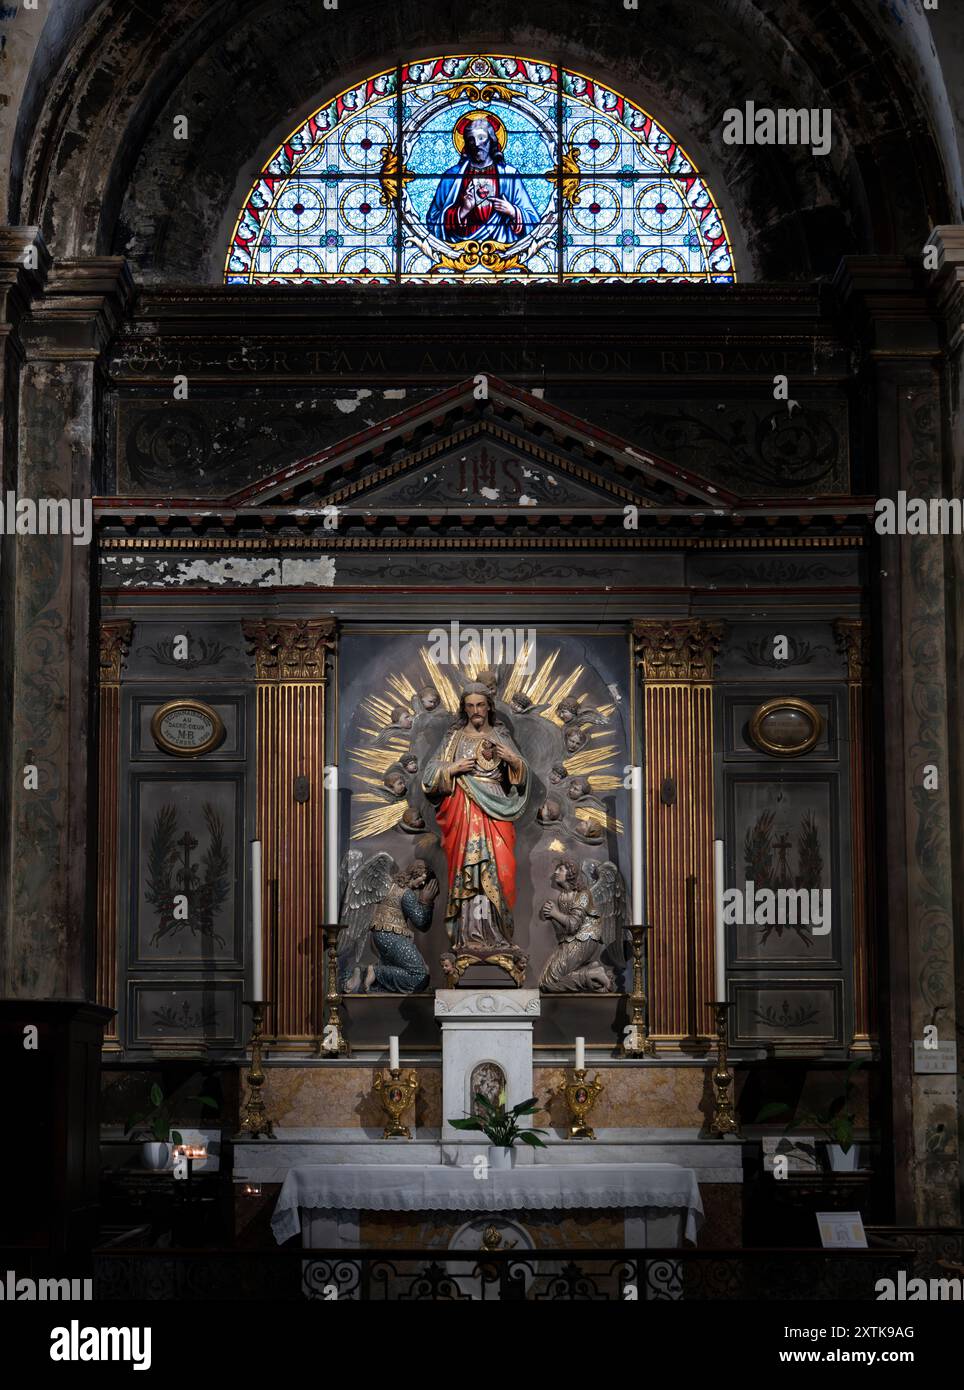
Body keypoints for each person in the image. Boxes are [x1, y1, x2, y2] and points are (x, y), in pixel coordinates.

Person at [422, 684, 528, 948]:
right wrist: (454, 767)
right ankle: (467, 938)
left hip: (497, 812)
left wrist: (513, 761)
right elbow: (430, 774)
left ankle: (498, 936)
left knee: (501, 873)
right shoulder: (454, 737)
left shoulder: (501, 735)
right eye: (470, 706)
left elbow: (521, 771)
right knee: (468, 869)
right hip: (464, 810)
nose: (475, 711)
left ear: (489, 706)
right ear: (464, 708)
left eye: (480, 705)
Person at [427, 114, 540, 245]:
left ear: (491, 140)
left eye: (481, 138)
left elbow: (533, 220)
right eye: (470, 140)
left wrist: (513, 211)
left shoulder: (510, 175)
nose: (476, 144)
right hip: (458, 250)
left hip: (503, 249)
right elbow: (432, 221)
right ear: (466, 145)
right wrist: (462, 211)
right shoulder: (451, 176)